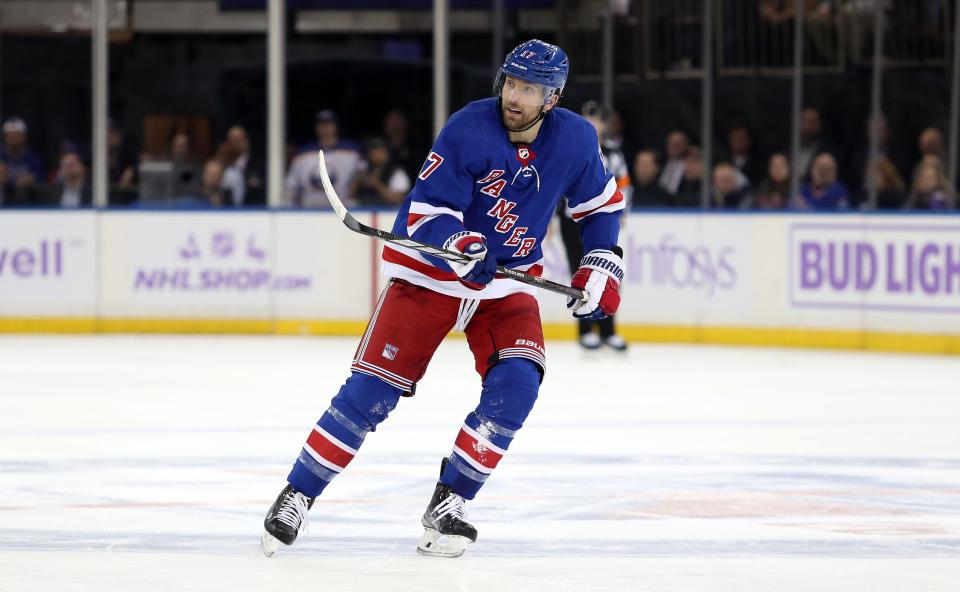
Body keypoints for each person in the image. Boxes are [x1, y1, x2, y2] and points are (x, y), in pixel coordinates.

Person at [261, 39, 625, 559]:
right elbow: (430, 211)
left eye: (529, 89)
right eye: (511, 84)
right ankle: (298, 492)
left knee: (517, 384)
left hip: (506, 282)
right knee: (371, 394)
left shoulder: (575, 139)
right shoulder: (468, 128)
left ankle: (448, 503)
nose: (514, 97)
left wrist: (601, 261)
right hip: (430, 274)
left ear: (552, 97)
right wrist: (460, 247)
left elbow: (599, 207)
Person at [556, 100, 629, 352]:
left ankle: (608, 330)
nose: (591, 123)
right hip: (570, 221)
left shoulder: (614, 155)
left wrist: (622, 211)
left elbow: (624, 183)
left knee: (604, 271)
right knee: (580, 272)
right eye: (586, 117)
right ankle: (585, 330)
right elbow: (556, 186)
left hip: (602, 219)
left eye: (596, 118)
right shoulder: (569, 151)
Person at [284, 110, 363, 208]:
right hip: (309, 210)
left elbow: (361, 174)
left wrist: (350, 197)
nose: (325, 128)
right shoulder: (303, 154)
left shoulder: (352, 152)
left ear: (335, 126)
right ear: (316, 128)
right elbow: (291, 185)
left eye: (329, 124)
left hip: (342, 209)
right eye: (321, 124)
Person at [350, 137, 411, 206]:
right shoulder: (365, 171)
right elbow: (349, 198)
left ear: (387, 154)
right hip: (363, 212)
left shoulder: (397, 173)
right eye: (372, 151)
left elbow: (398, 199)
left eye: (379, 151)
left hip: (387, 213)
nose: (375, 155)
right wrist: (357, 180)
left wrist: (377, 184)